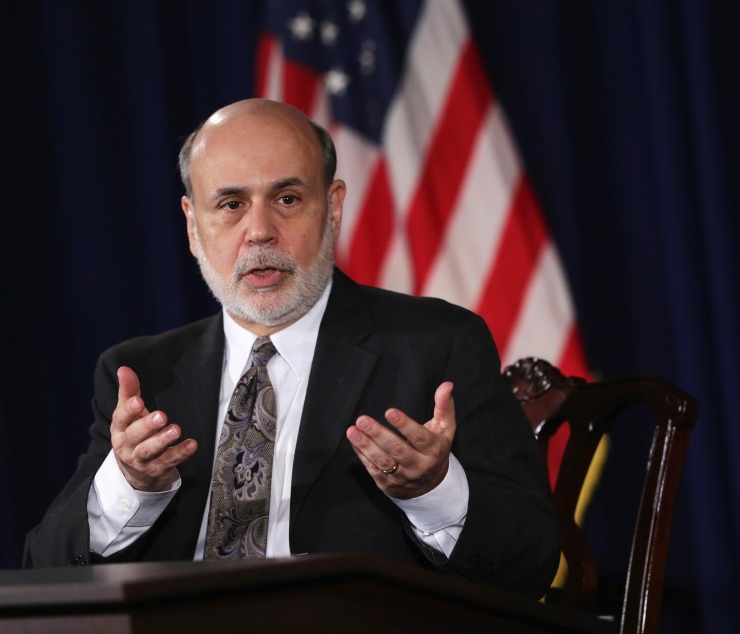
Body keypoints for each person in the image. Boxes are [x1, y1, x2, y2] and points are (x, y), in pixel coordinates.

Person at [23, 98, 560, 598]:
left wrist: (433, 490)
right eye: (230, 204)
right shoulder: (140, 374)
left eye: (286, 199)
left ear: (332, 207)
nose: (260, 231)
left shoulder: (435, 346)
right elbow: (44, 573)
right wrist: (131, 484)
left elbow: (528, 561)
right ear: (192, 225)